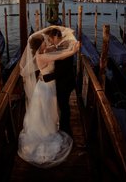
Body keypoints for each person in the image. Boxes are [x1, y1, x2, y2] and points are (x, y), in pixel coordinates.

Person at [18, 27, 80, 168]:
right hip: (46, 88)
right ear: (40, 46)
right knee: (45, 112)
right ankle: (45, 133)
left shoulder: (44, 52)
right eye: (44, 42)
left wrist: (68, 39)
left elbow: (57, 49)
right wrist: (74, 50)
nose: (47, 42)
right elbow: (61, 56)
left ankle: (50, 128)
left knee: (48, 111)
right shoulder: (43, 56)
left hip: (46, 85)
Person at [45, 27, 76, 135]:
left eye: (51, 39)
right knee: (63, 105)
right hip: (65, 81)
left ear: (55, 37)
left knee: (64, 106)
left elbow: (61, 71)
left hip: (65, 83)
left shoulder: (64, 48)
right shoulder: (62, 46)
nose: (50, 41)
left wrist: (45, 78)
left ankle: (66, 129)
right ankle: (64, 125)